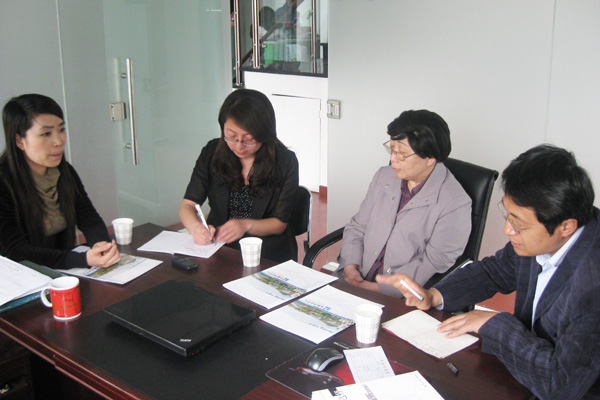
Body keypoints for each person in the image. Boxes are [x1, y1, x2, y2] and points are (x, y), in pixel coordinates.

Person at [378, 144, 600, 400]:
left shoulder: (592, 286)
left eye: (519, 225)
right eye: (508, 216)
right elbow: (495, 271)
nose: (508, 230)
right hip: (522, 372)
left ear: (566, 227)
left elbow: (560, 386)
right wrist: (434, 295)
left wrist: (494, 324)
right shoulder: (547, 230)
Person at [336, 110, 471, 298]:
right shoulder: (383, 176)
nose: (393, 159)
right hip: (355, 279)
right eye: (392, 150)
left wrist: (379, 290)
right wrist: (350, 268)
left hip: (401, 297)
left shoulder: (455, 203)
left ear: (430, 158)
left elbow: (434, 262)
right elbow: (358, 227)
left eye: (403, 154)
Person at [0, 94, 120, 269]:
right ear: (20, 141)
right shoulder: (4, 181)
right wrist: (82, 259)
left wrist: (101, 245)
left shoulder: (64, 171)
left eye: (61, 130)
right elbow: (16, 251)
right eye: (46, 133)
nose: (59, 141)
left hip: (61, 269)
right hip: (19, 276)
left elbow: (88, 217)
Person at [179, 89, 299, 262]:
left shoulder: (285, 162)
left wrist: (245, 225)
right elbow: (188, 205)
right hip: (219, 247)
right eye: (231, 136)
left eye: (249, 139)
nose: (239, 145)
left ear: (264, 133)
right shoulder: (212, 152)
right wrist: (195, 228)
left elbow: (279, 223)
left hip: (266, 251)